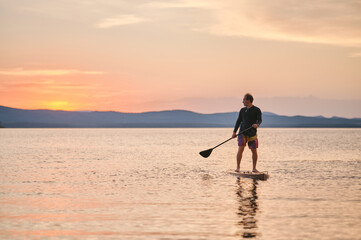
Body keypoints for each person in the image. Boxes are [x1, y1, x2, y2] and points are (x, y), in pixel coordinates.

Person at [232, 93, 262, 172]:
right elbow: (238, 121)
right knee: (240, 149)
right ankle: (238, 168)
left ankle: (254, 168)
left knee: (254, 150)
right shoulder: (242, 110)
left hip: (252, 133)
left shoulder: (257, 110)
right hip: (242, 132)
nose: (243, 101)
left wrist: (257, 124)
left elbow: (260, 120)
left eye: (244, 99)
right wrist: (234, 132)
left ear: (248, 100)